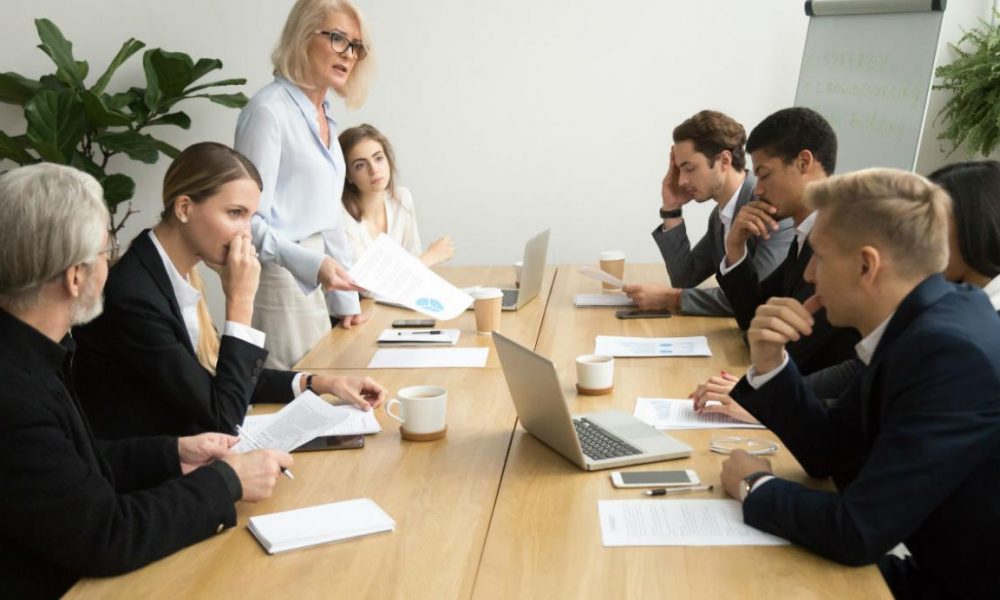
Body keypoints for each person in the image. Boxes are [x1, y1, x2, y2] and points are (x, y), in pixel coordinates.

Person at [0, 163, 293, 599]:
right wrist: (228, 482)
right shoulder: (15, 391)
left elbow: (73, 465)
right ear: (75, 277)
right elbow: (107, 535)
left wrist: (174, 454)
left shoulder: (31, 349)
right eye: (105, 250)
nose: (112, 263)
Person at [717, 168, 1000, 598]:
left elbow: (857, 530)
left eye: (820, 256)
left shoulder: (948, 352)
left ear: (867, 265)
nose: (809, 274)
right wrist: (771, 362)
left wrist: (755, 487)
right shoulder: (923, 320)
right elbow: (829, 450)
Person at [73, 143, 386, 440]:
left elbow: (216, 376)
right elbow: (223, 417)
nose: (246, 233)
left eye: (250, 217)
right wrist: (240, 302)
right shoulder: (135, 294)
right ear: (184, 207)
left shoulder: (173, 271)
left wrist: (318, 383)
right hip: (146, 480)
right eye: (235, 213)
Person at [692, 159, 1000, 423]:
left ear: (980, 229)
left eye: (936, 223)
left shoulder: (968, 331)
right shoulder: (951, 301)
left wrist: (765, 401)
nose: (921, 234)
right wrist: (767, 390)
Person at [235, 0, 375, 369]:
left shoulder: (324, 113)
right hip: (279, 278)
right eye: (338, 39)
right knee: (291, 399)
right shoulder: (268, 112)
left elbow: (330, 218)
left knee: (325, 389)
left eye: (355, 46)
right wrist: (312, 265)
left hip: (316, 277)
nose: (349, 55)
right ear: (302, 37)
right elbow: (245, 220)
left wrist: (348, 304)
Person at [716, 107, 859, 375]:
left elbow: (780, 342)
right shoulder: (803, 236)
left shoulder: (841, 241)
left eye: (764, 173)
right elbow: (754, 318)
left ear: (804, 162)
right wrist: (735, 248)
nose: (757, 190)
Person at [622, 110, 793, 315]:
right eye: (680, 170)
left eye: (689, 168)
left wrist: (672, 298)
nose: (682, 180)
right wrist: (671, 209)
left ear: (724, 161)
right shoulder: (720, 215)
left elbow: (755, 295)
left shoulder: (772, 210)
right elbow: (685, 278)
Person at [339, 123, 454, 267]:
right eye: (360, 165)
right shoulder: (342, 216)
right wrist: (430, 257)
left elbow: (414, 270)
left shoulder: (401, 198)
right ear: (348, 176)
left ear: (388, 161)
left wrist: (421, 262)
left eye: (378, 158)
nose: (373, 169)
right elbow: (364, 287)